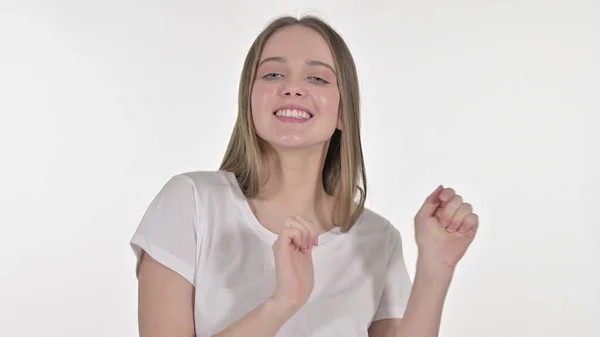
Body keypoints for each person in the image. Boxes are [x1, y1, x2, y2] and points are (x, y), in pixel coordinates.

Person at [130, 14, 479, 337]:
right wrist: (282, 304)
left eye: (317, 77)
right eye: (273, 74)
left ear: (344, 112)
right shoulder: (190, 203)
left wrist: (436, 269)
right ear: (249, 101)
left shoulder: (377, 239)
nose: (293, 88)